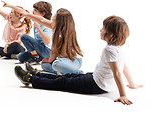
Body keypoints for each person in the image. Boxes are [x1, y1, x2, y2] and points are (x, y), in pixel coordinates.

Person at [14, 15, 143, 105]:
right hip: (96, 79)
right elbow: (124, 67)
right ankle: (37, 73)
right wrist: (132, 84)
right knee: (68, 76)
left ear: (110, 34)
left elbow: (117, 73)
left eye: (103, 28)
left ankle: (30, 78)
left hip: (96, 85)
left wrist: (123, 95)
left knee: (62, 83)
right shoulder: (118, 49)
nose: (100, 30)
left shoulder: (110, 50)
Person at [18, 8, 83, 74]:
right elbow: (41, 20)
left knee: (55, 64)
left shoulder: (60, 35)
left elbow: (55, 51)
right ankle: (62, 72)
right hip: (63, 60)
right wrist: (26, 14)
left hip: (74, 61)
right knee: (44, 64)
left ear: (59, 21)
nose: (52, 17)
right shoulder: (55, 27)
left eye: (55, 16)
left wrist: (50, 60)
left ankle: (79, 73)